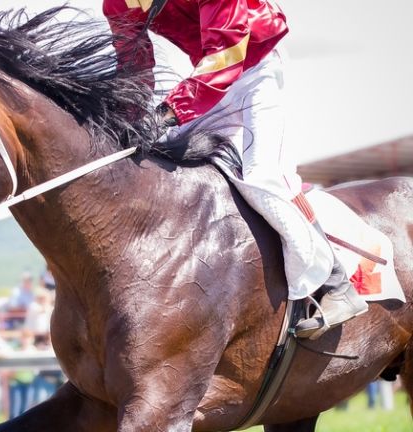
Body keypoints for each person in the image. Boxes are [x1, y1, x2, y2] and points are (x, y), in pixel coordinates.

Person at [102, 0, 367, 338]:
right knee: (161, 156)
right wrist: (127, 121)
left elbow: (228, 52)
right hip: (210, 79)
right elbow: (133, 65)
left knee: (264, 176)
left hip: (256, 68)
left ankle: (336, 283)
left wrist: (169, 112)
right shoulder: (117, 4)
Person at [8, 330, 37, 419]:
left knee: (26, 410)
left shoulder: (34, 351)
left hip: (29, 383)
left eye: (28, 338)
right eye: (24, 338)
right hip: (16, 382)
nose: (26, 340)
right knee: (15, 411)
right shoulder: (16, 350)